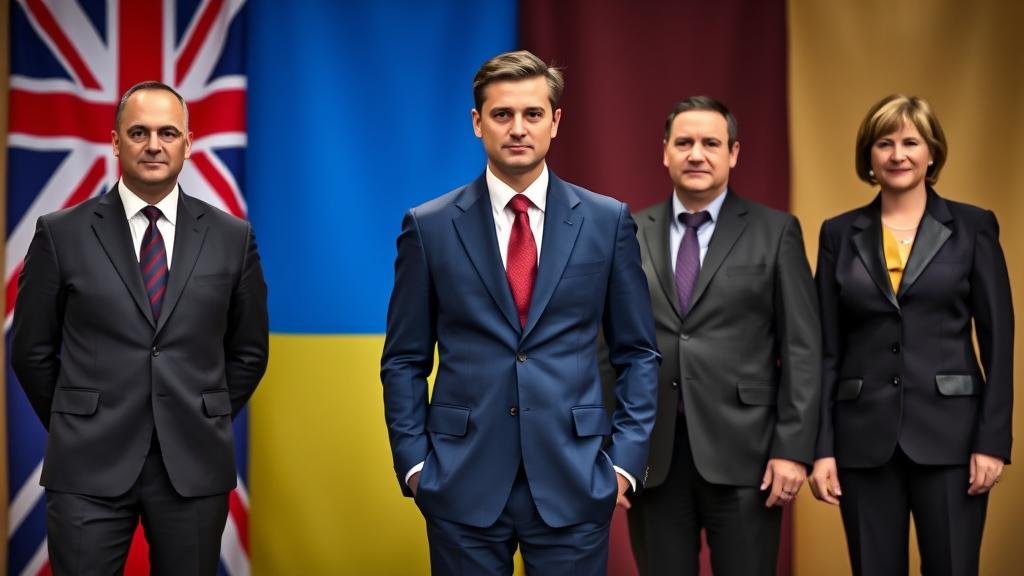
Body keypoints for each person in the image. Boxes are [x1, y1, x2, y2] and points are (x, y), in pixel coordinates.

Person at [380, 50, 659, 575]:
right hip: (460, 482)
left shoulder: (606, 221)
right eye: (502, 114)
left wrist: (622, 466)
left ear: (556, 122)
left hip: (576, 480)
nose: (518, 128)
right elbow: (403, 359)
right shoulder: (429, 226)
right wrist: (416, 465)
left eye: (533, 114)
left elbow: (638, 352)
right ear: (477, 122)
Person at [11, 81, 269, 575]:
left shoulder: (233, 237)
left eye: (168, 132)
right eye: (139, 132)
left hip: (192, 465)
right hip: (87, 466)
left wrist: (200, 415)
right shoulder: (60, 233)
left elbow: (249, 351)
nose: (154, 144)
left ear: (188, 143)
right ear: (115, 141)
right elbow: (31, 351)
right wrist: (78, 422)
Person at [809, 94, 1013, 575]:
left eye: (910, 142)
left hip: (954, 438)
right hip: (861, 440)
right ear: (869, 156)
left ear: (932, 152)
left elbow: (999, 339)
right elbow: (824, 348)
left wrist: (992, 440)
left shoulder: (973, 226)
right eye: (884, 143)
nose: (897, 154)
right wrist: (820, 448)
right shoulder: (839, 234)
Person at [623, 96, 821, 575]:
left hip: (749, 457)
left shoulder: (777, 232)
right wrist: (613, 453)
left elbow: (803, 348)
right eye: (684, 142)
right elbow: (609, 347)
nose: (697, 154)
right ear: (664, 152)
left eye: (711, 143)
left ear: (733, 153)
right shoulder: (626, 231)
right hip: (654, 456)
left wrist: (793, 451)